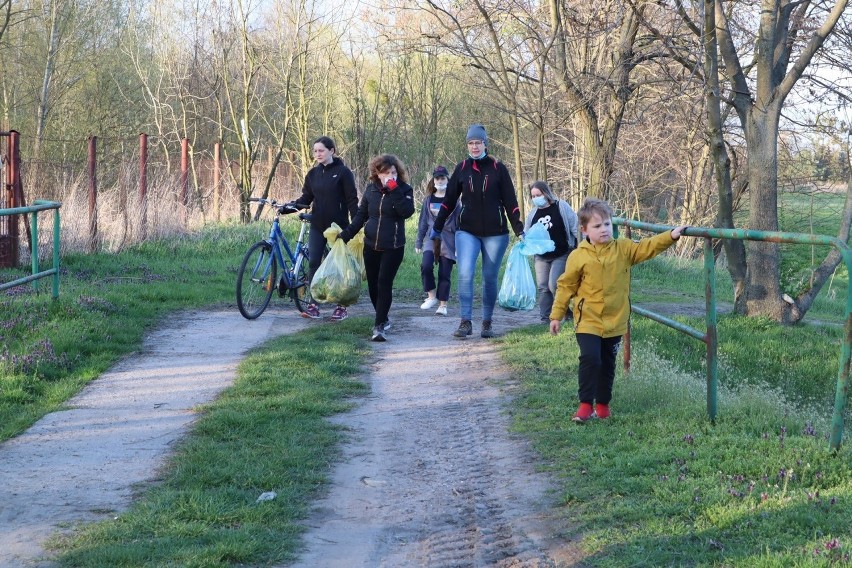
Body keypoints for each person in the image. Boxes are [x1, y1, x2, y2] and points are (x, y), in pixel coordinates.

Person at [549, 198, 687, 423]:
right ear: (584, 231)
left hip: (615, 320)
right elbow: (566, 286)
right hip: (588, 320)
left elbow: (646, 248)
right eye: (597, 226)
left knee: (607, 364)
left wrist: (670, 236)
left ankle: (603, 404)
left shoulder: (623, 248)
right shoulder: (578, 256)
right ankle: (585, 405)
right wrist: (556, 315)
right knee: (590, 358)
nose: (604, 230)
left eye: (606, 224)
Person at [431, 123, 524, 339]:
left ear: (485, 143)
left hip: (496, 233)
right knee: (465, 274)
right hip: (467, 231)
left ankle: (487, 323)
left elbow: (511, 201)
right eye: (471, 143)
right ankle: (465, 322)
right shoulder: (462, 168)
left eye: (478, 142)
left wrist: (518, 229)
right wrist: (437, 227)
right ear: (467, 145)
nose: (474, 146)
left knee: (489, 277)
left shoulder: (498, 168)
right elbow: (449, 200)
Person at [340, 154, 415, 341]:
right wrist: (346, 234)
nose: (391, 176)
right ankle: (383, 317)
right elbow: (361, 215)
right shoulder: (371, 190)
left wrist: (394, 189)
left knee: (384, 282)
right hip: (371, 244)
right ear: (377, 174)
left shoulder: (405, 190)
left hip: (393, 246)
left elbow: (406, 212)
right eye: (386, 173)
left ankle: (379, 325)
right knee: (373, 285)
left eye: (394, 172)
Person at [292, 136, 359, 321]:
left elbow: (352, 200)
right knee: (314, 262)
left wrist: (356, 224)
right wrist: (289, 207)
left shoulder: (344, 173)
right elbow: (305, 198)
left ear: (332, 151)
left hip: (338, 228)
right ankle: (314, 304)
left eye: (321, 150)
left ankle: (341, 306)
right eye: (315, 151)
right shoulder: (312, 174)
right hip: (317, 225)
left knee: (340, 266)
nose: (317, 154)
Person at [523, 181, 579, 324]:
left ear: (546, 193)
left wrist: (582, 245)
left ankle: (566, 312)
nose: (536, 198)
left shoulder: (561, 207)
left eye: (538, 195)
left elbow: (574, 226)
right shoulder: (533, 214)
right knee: (543, 287)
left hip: (561, 253)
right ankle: (545, 319)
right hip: (541, 256)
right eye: (533, 196)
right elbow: (527, 233)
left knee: (554, 285)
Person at [415, 165, 459, 316]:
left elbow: (459, 223)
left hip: (448, 239)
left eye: (442, 178)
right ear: (433, 181)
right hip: (431, 237)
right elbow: (422, 222)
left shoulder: (455, 201)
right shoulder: (428, 200)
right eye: (437, 178)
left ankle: (443, 305)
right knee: (426, 266)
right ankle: (431, 296)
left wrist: (459, 246)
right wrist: (418, 241)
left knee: (444, 273)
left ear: (448, 180)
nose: (440, 181)